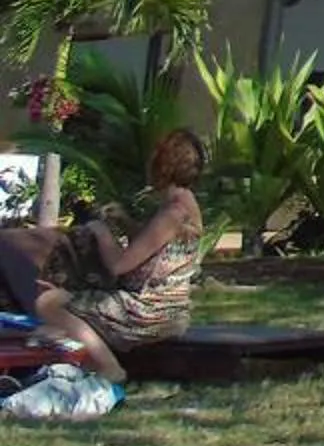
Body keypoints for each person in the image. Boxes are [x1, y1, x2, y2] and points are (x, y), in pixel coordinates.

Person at [22, 130, 208, 381]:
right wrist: (125, 221)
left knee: (48, 302)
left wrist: (101, 232)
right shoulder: (186, 204)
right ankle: (75, 354)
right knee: (62, 308)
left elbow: (119, 265)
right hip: (172, 310)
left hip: (148, 312)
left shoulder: (172, 213)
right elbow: (153, 248)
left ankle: (109, 368)